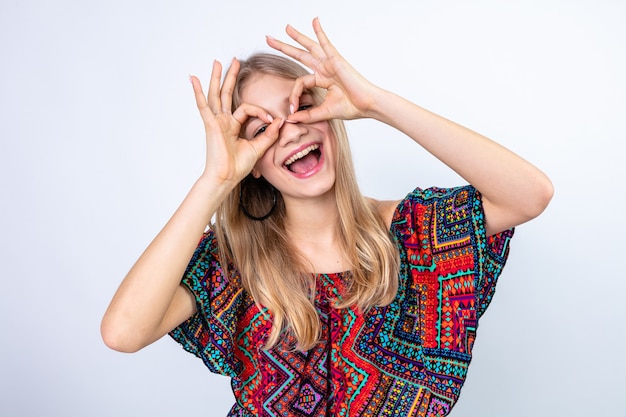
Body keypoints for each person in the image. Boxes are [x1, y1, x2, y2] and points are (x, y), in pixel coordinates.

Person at [101, 18, 553, 417]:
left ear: (329, 116)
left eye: (299, 108)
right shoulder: (232, 264)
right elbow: (123, 332)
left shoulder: (415, 235)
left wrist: (376, 104)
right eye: (262, 130)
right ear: (252, 165)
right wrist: (214, 181)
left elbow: (529, 194)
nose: (290, 129)